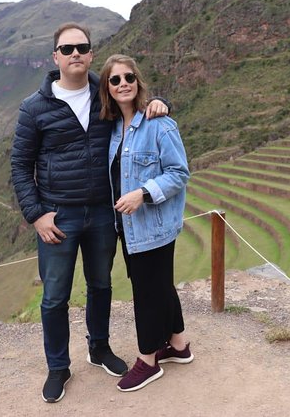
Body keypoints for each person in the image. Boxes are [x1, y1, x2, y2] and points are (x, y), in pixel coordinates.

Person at [10, 23, 170, 403]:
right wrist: (36, 214)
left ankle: (99, 348)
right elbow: (20, 165)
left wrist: (160, 104)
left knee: (101, 285)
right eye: (67, 49)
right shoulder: (35, 108)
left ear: (91, 53)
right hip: (58, 215)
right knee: (54, 297)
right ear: (55, 57)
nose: (75, 53)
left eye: (82, 47)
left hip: (101, 211)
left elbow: (136, 101)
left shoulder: (106, 97)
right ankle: (58, 367)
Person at [99, 54, 193, 392]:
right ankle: (178, 345)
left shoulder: (159, 124)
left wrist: (143, 193)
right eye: (115, 80)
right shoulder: (112, 129)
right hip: (128, 227)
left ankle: (148, 360)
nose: (123, 83)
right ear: (107, 89)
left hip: (152, 225)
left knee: (147, 292)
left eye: (129, 77)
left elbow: (179, 173)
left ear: (138, 82)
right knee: (159, 285)